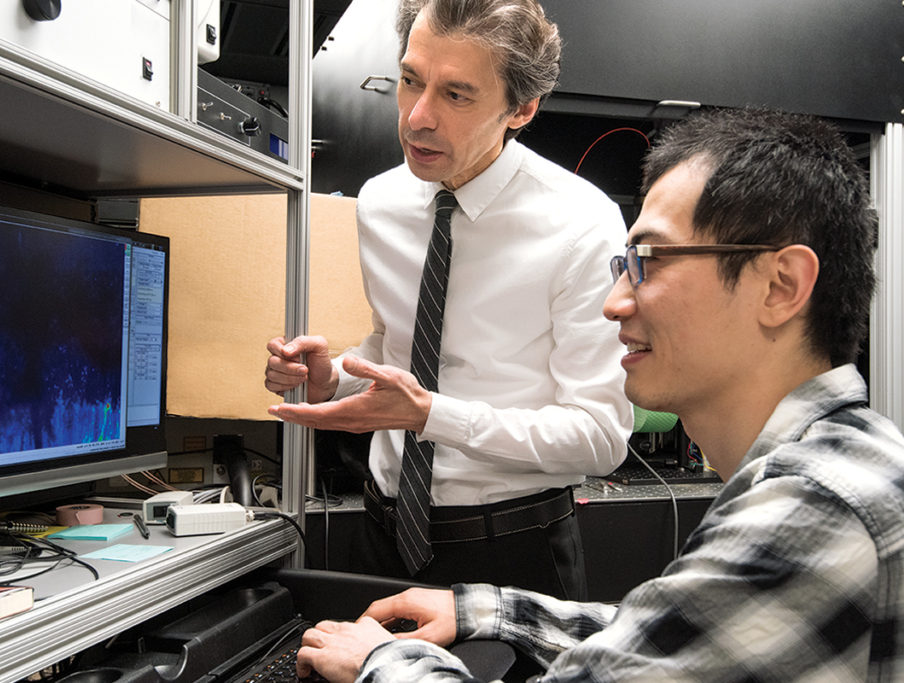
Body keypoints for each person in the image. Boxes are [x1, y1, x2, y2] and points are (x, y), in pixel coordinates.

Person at [292, 107, 904, 683]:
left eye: (649, 260)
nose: (613, 303)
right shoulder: (840, 465)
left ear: (780, 286)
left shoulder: (812, 512)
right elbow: (675, 633)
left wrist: (384, 661)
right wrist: (489, 611)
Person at [264, 0, 631, 600]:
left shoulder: (582, 224)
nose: (417, 118)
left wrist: (432, 416)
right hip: (381, 533)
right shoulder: (380, 202)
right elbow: (398, 350)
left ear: (522, 108)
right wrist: (334, 380)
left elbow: (600, 437)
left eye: (457, 95)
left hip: (512, 549)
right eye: (410, 81)